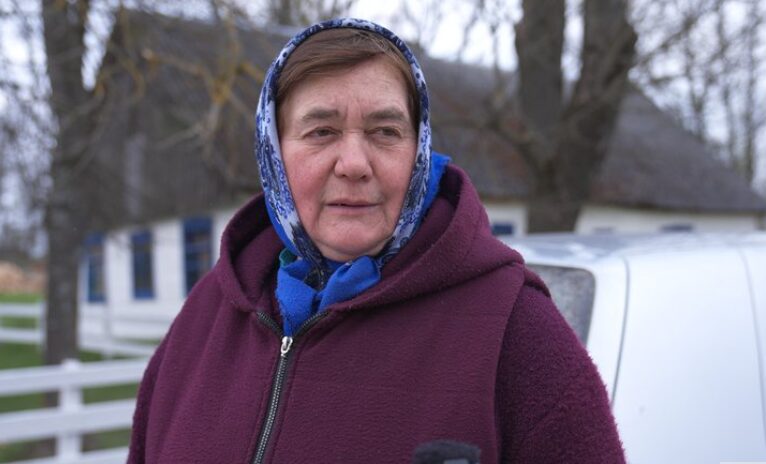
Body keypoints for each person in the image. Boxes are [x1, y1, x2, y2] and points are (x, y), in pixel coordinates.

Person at [128, 18, 624, 463]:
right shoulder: (205, 316)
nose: (354, 164)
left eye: (385, 131)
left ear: (418, 150)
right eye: (321, 131)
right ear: (274, 152)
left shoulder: (514, 328)